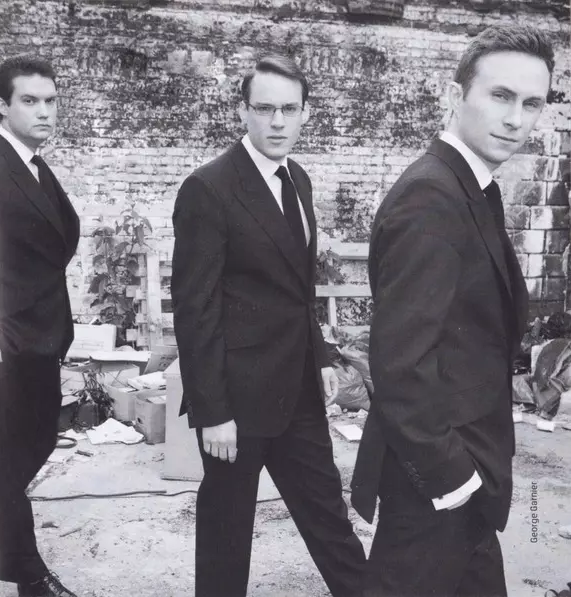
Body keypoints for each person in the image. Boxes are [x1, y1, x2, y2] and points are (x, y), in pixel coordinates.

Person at [351, 24, 554, 596]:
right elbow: (400, 363)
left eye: (531, 103)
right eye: (500, 95)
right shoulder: (432, 196)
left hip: (467, 475)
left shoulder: (469, 186)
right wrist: (454, 480)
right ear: (455, 95)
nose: (515, 118)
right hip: (438, 484)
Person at [171, 54, 365, 597]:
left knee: (329, 517)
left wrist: (320, 357)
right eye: (264, 109)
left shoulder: (297, 179)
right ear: (243, 112)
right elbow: (195, 309)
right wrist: (213, 412)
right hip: (236, 402)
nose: (277, 122)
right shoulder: (208, 188)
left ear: (305, 113)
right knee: (227, 534)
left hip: (297, 389)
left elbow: (298, 288)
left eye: (289, 109)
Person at [0, 55, 80, 597]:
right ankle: (29, 578)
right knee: (12, 459)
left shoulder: (34, 166)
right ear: (0, 106)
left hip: (41, 339)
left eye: (51, 101)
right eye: (30, 101)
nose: (44, 111)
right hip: (6, 344)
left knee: (24, 449)